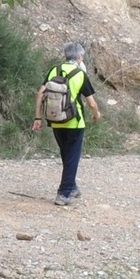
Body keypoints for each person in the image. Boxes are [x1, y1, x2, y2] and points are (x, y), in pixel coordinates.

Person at [29, 41, 101, 205]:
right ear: (80, 57)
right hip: (74, 122)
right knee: (72, 157)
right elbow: (91, 103)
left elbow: (40, 94)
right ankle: (64, 193)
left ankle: (72, 187)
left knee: (67, 154)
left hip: (55, 120)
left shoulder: (54, 70)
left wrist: (38, 118)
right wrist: (96, 115)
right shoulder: (80, 74)